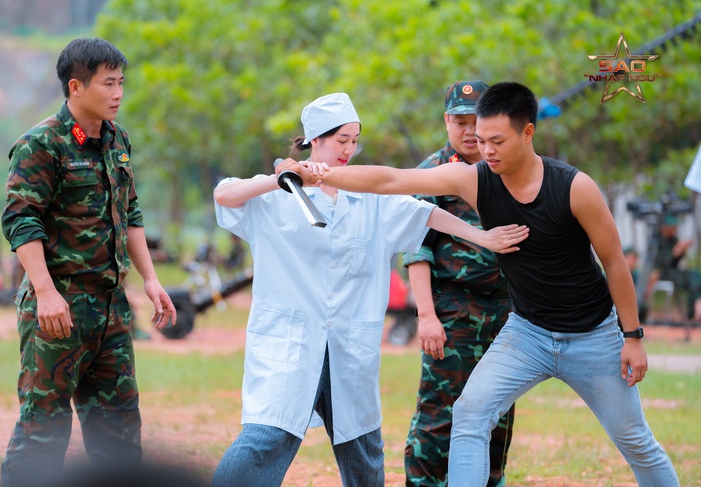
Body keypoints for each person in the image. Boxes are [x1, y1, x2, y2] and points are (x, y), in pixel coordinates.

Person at [278, 82, 680, 486]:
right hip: (528, 333)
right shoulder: (475, 179)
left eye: (497, 141)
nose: (486, 150)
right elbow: (389, 180)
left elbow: (613, 262)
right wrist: (320, 174)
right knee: (469, 413)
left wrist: (632, 336)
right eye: (482, 140)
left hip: (592, 336)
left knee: (634, 439)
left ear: (527, 133)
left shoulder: (575, 188)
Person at [211, 92, 529, 487]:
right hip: (290, 345)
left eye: (354, 140)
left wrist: (481, 237)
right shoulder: (275, 197)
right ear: (316, 139)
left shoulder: (367, 197)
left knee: (363, 449)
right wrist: (279, 180)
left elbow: (424, 213)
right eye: (341, 139)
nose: (349, 149)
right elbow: (224, 194)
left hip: (348, 346)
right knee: (268, 437)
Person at [0, 37, 177, 487]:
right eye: (108, 83)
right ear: (75, 87)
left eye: (121, 83)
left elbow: (130, 212)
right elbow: (22, 221)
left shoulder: (118, 140)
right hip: (58, 306)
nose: (118, 93)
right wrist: (45, 292)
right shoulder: (41, 144)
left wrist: (150, 280)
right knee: (44, 430)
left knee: (120, 434)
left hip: (111, 308)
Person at [402, 81, 513, 487]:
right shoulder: (433, 174)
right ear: (446, 121)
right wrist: (427, 316)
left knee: (497, 410)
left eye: (475, 122)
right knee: (440, 412)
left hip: (505, 312)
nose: (468, 131)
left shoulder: (506, 167)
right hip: (453, 310)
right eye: (459, 121)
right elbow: (416, 249)